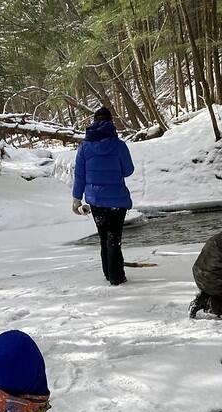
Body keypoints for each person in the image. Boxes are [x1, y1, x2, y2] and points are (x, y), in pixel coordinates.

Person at [72, 106, 134, 286]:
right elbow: (128, 170)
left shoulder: (84, 147)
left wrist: (76, 199)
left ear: (94, 121)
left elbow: (80, 175)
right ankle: (117, 276)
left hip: (96, 200)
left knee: (104, 237)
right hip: (117, 199)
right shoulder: (119, 145)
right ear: (110, 121)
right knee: (114, 238)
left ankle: (109, 273)